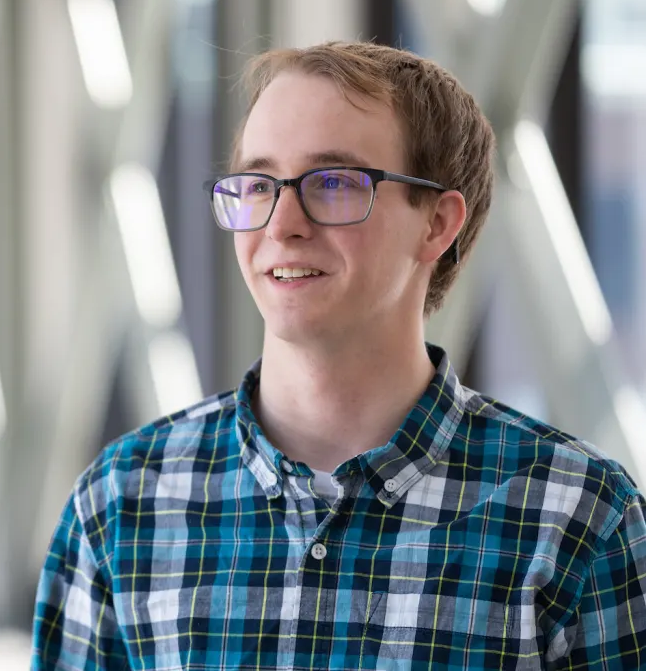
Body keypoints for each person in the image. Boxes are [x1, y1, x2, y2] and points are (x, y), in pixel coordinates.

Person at [32, 41, 646, 669]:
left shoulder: (577, 520)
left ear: (437, 223)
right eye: (258, 184)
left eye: (332, 183)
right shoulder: (120, 505)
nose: (280, 225)